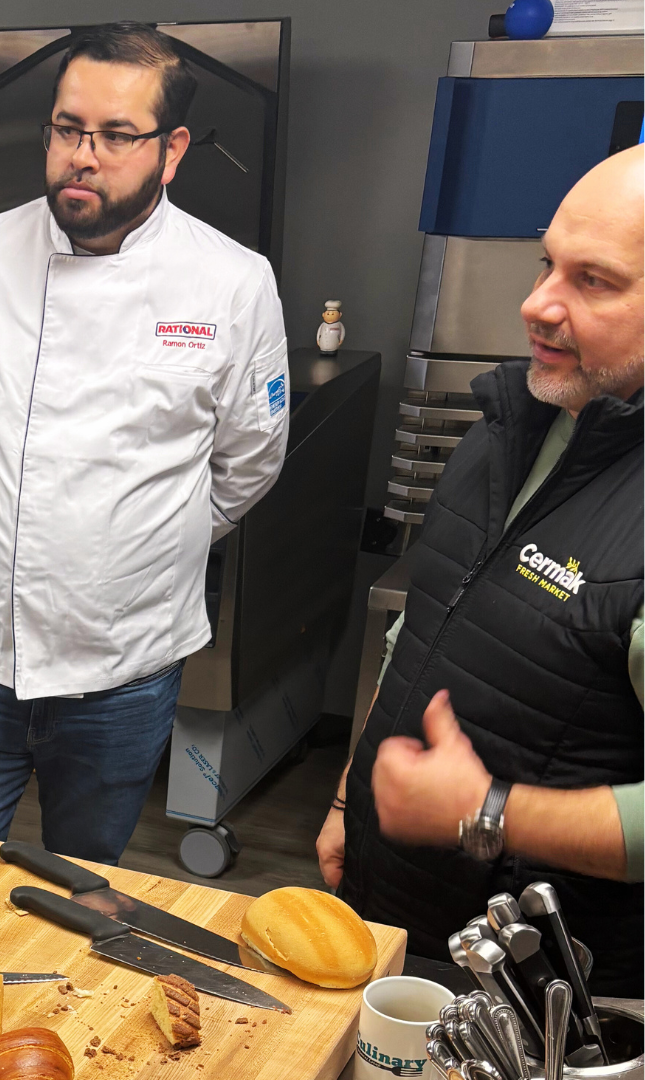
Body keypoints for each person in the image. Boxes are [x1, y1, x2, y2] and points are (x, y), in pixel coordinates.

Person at [0, 22, 289, 864]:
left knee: (83, 887)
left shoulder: (232, 281)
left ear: (173, 148)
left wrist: (138, 544)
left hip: (125, 661)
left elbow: (249, 461)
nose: (83, 154)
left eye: (116, 135)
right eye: (68, 128)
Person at [317, 144, 644, 996]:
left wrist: (489, 812)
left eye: (595, 281)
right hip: (399, 917)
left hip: (538, 986)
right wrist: (355, 792)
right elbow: (423, 625)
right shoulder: (518, 418)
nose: (538, 303)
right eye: (547, 264)